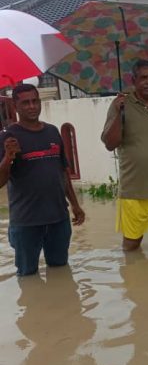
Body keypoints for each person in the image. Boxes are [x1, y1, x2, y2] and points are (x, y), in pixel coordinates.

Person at [0, 83, 85, 276]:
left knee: (61, 271)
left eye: (35, 101)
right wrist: (8, 157)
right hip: (26, 222)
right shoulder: (7, 138)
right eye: (25, 103)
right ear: (15, 106)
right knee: (27, 276)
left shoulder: (53, 132)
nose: (32, 106)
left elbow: (63, 172)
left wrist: (75, 205)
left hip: (58, 218)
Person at [101, 60, 148, 251]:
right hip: (134, 191)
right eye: (143, 77)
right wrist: (119, 112)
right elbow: (109, 144)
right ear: (133, 80)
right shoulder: (121, 105)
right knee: (132, 246)